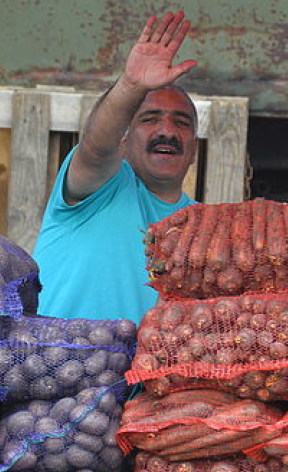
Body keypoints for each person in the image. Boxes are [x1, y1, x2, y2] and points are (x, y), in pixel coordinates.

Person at [33, 11, 199, 325]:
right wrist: (130, 87)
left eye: (181, 122)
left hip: (143, 375)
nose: (166, 131)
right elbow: (96, 146)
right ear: (123, 140)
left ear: (194, 149)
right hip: (53, 367)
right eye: (149, 119)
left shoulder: (203, 225)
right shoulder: (101, 185)